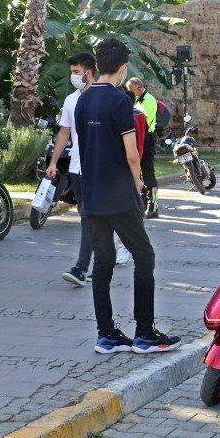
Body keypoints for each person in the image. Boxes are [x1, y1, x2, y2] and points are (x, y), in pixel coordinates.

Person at [75, 38, 181, 354]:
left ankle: (106, 334)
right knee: (144, 255)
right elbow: (132, 154)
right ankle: (145, 334)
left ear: (96, 67)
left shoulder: (83, 101)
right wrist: (137, 182)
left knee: (104, 260)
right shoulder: (121, 101)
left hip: (91, 193)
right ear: (122, 68)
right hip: (119, 193)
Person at [48, 53, 97, 287]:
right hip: (77, 168)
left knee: (88, 216)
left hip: (98, 168)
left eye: (76, 71)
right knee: (88, 215)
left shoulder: (104, 97)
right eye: (72, 71)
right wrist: (53, 162)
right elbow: (64, 133)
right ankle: (103, 259)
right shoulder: (70, 100)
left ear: (89, 72)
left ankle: (81, 268)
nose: (73, 76)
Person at [126, 77, 160, 219]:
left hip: (147, 138)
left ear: (139, 89)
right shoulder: (137, 99)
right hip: (138, 137)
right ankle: (143, 204)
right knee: (137, 172)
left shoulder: (148, 100)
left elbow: (142, 119)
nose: (130, 94)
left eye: (131, 91)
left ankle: (153, 206)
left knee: (148, 173)